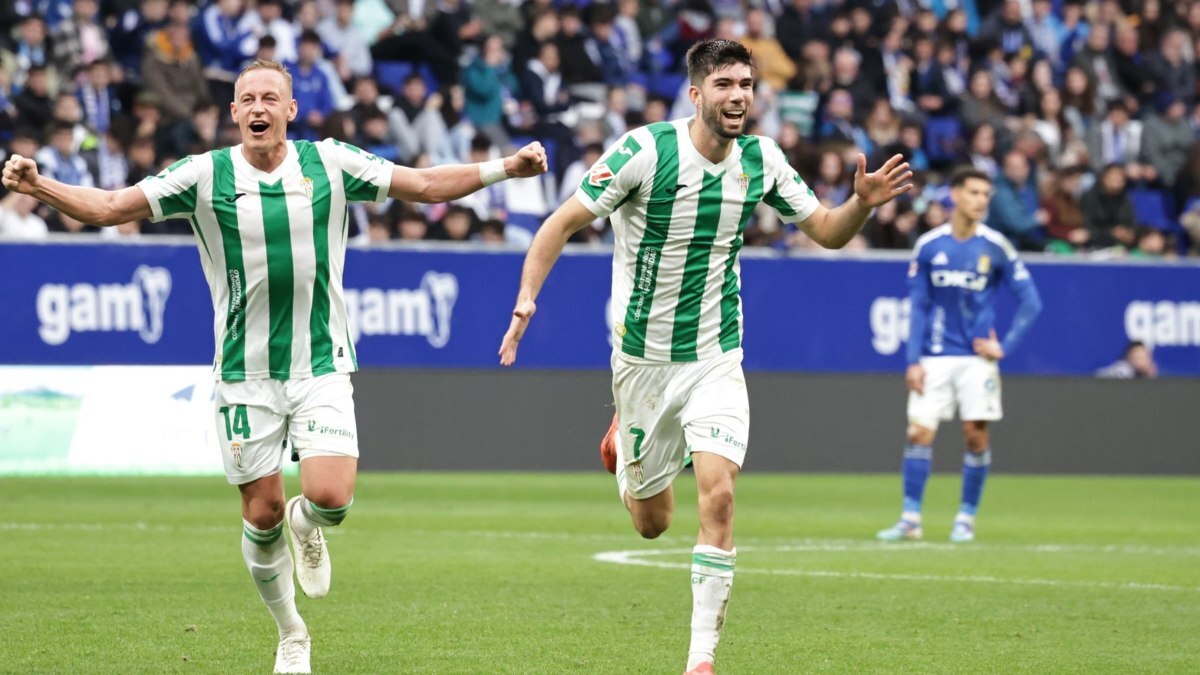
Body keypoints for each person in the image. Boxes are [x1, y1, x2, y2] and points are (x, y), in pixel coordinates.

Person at [1, 59, 546, 675]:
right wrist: (38, 185)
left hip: (320, 363)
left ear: (290, 110)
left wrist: (506, 168)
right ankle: (292, 634)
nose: (257, 107)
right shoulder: (203, 175)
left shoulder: (331, 163)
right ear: (233, 113)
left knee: (330, 497)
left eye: (270, 98)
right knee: (258, 515)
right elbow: (107, 207)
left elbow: (421, 185)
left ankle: (306, 523)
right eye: (246, 99)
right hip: (243, 374)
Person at [496, 39, 911, 675]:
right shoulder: (644, 151)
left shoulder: (762, 159)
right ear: (697, 95)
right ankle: (621, 449)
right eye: (724, 84)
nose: (739, 95)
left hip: (716, 356)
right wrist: (527, 300)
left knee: (718, 497)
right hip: (641, 365)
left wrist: (860, 203)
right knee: (652, 523)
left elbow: (828, 232)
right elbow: (558, 225)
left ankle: (700, 661)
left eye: (746, 83)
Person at [877, 168, 1043, 545]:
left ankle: (965, 518)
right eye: (974, 192)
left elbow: (1031, 302)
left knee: (975, 437)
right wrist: (913, 360)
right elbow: (917, 306)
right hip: (934, 356)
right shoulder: (930, 246)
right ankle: (910, 519)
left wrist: (1005, 346)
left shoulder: (996, 245)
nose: (981, 200)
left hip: (976, 360)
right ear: (954, 194)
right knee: (918, 433)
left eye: (986, 193)